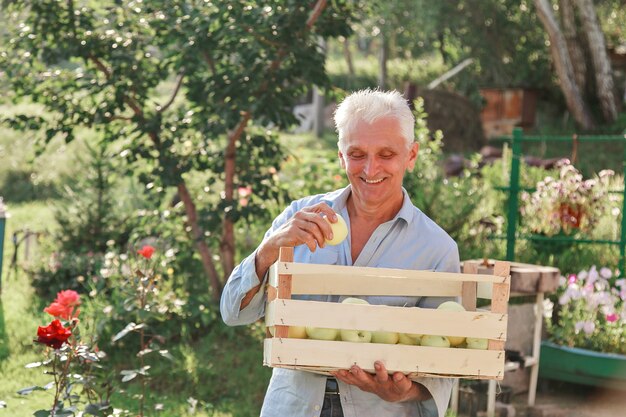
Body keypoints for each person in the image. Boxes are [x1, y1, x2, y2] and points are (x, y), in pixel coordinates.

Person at [220, 89, 460, 417]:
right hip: (294, 405)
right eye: (357, 153)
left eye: (386, 154)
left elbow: (445, 363)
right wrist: (270, 248)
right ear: (341, 155)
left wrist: (404, 390)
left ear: (412, 155)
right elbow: (233, 313)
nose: (370, 168)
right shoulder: (299, 218)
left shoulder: (436, 248)